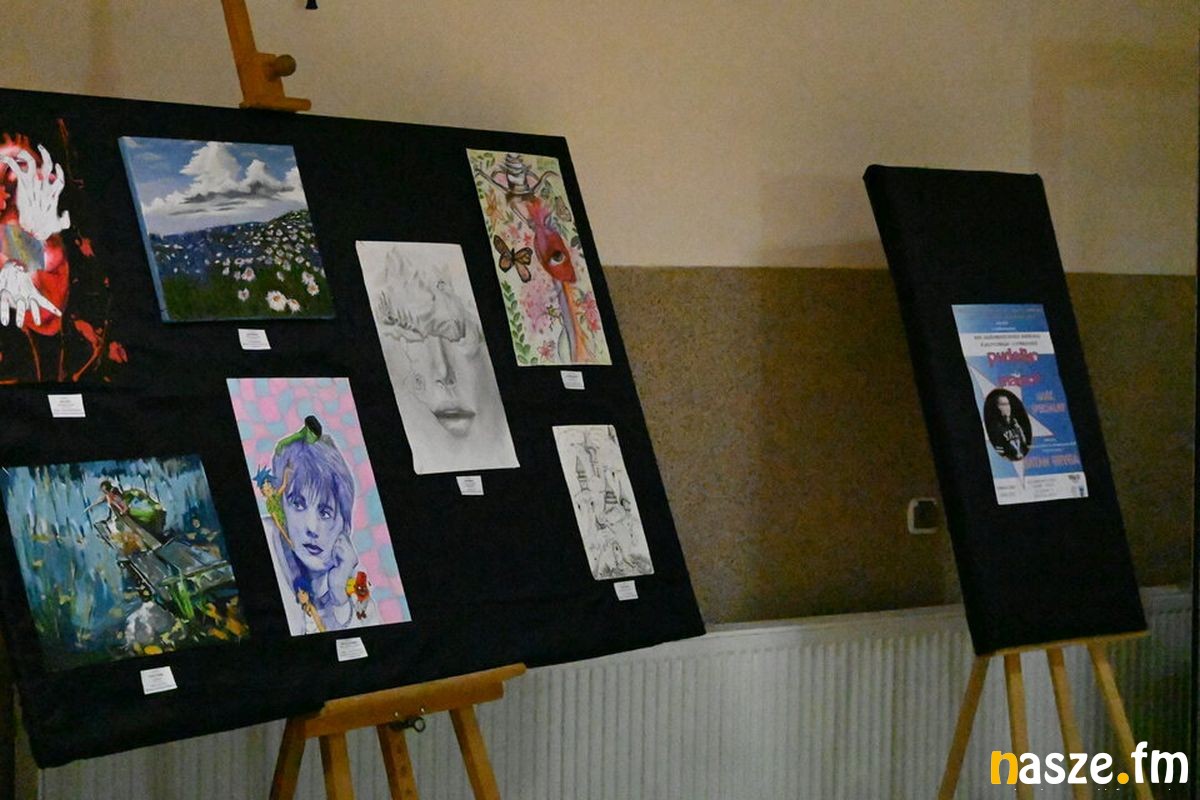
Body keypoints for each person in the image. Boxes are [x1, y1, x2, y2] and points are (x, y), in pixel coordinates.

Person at [260, 415, 381, 634]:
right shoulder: (267, 541)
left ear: (344, 525)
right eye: (298, 504)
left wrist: (339, 598)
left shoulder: (350, 571)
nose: (311, 528)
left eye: (325, 512)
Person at [983, 389, 1032, 461]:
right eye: (1003, 404)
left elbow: (1024, 443)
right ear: (997, 407)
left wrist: (1019, 429)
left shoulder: (1015, 423)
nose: (1007, 407)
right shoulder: (996, 428)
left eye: (1008, 404)